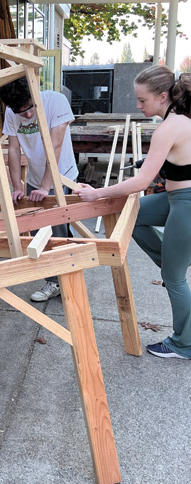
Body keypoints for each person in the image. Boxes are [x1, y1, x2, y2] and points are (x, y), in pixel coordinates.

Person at [74, 65, 191, 360]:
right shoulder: (181, 118)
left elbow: (140, 183)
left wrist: (96, 192)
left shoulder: (167, 128)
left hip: (186, 203)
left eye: (142, 100)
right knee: (134, 215)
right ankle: (172, 260)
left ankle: (184, 343)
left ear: (163, 96)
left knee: (174, 278)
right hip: (176, 197)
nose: (138, 106)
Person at [0, 77, 79, 302]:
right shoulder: (11, 112)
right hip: (36, 177)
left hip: (62, 176)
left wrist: (47, 186)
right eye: (20, 112)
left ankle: (59, 281)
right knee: (37, 230)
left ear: (34, 95)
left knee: (58, 230)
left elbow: (54, 145)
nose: (26, 115)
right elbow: (13, 149)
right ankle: (57, 275)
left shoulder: (56, 101)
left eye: (29, 108)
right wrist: (17, 186)